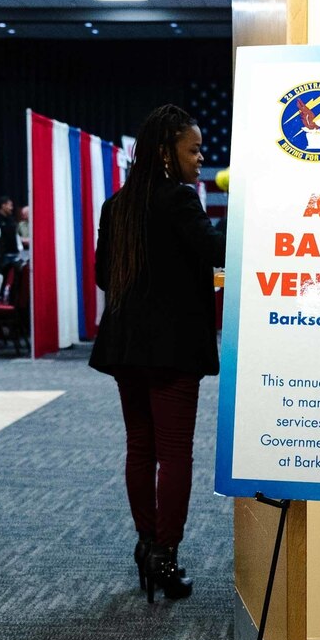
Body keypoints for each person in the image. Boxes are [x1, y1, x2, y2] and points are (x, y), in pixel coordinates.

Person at [89, 103, 225, 601]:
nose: (200, 158)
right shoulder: (180, 200)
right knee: (175, 454)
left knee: (141, 449)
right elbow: (216, 252)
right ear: (168, 152)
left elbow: (105, 277)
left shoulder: (116, 205)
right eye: (193, 149)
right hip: (172, 351)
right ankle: (166, 556)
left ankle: (147, 545)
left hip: (126, 347)